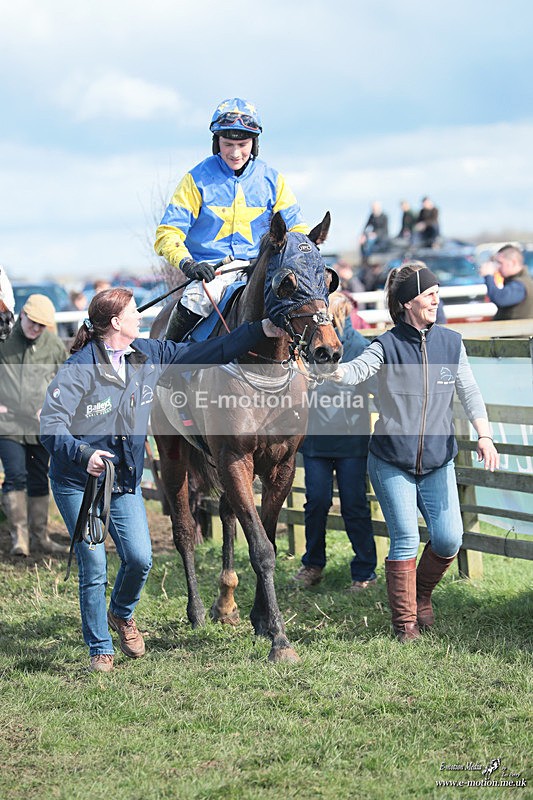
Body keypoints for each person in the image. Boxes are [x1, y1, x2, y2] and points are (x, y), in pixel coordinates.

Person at [40, 287, 283, 673]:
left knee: (140, 559)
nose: (140, 316)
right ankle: (100, 649)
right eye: (133, 312)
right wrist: (84, 454)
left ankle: (121, 613)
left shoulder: (147, 355)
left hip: (122, 480)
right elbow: (50, 426)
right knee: (94, 563)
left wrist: (260, 329)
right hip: (78, 482)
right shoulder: (79, 368)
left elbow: (208, 352)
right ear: (116, 322)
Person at [329, 261, 499, 642]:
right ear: (408, 302)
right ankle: (405, 624)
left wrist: (485, 435)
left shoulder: (451, 344)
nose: (437, 300)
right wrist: (335, 371)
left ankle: (420, 594)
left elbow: (470, 392)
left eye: (437, 293)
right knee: (406, 537)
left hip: (438, 460)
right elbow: (358, 371)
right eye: (429, 294)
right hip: (391, 459)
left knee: (449, 538)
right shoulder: (386, 346)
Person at [154, 97, 308, 342]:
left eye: (243, 144)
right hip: (213, 274)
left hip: (261, 269)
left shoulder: (273, 180)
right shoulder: (195, 179)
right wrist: (188, 264)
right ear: (216, 143)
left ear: (254, 144)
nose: (235, 153)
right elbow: (168, 232)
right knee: (195, 299)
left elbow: (298, 230)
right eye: (228, 144)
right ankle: (168, 358)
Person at [294, 292, 377, 590]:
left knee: (352, 504)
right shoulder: (307, 347)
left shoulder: (361, 348)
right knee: (317, 503)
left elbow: (375, 388)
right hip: (316, 441)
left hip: (351, 442)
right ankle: (314, 564)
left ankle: (364, 571)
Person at [0, 294, 68, 556]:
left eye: (42, 325)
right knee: (15, 475)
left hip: (40, 425)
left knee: (40, 478)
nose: (36, 328)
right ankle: (19, 538)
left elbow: (64, 383)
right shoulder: (4, 339)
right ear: (23, 315)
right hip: (8, 423)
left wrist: (51, 407)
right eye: (33, 322)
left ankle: (40, 536)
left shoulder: (53, 345)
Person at [479, 244, 533, 320]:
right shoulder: (518, 281)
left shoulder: (521, 285)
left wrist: (488, 276)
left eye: (500, 263)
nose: (497, 267)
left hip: (518, 328)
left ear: (513, 263)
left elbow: (500, 299)